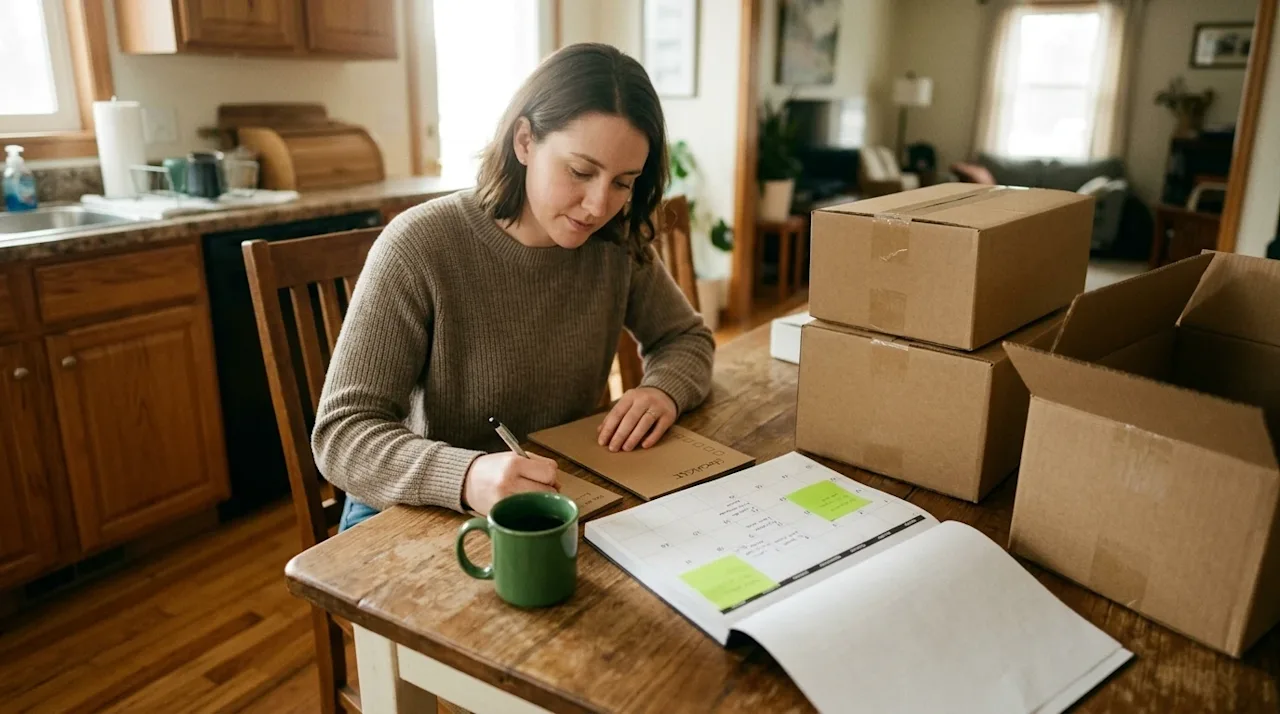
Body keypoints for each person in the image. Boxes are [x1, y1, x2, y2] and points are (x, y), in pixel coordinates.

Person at [312, 43, 715, 531]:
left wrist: (662, 391)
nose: (597, 204)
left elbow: (686, 338)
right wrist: (467, 475)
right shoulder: (420, 245)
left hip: (555, 495)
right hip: (413, 511)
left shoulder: (614, 242)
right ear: (524, 141)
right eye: (581, 172)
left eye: (623, 182)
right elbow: (342, 434)